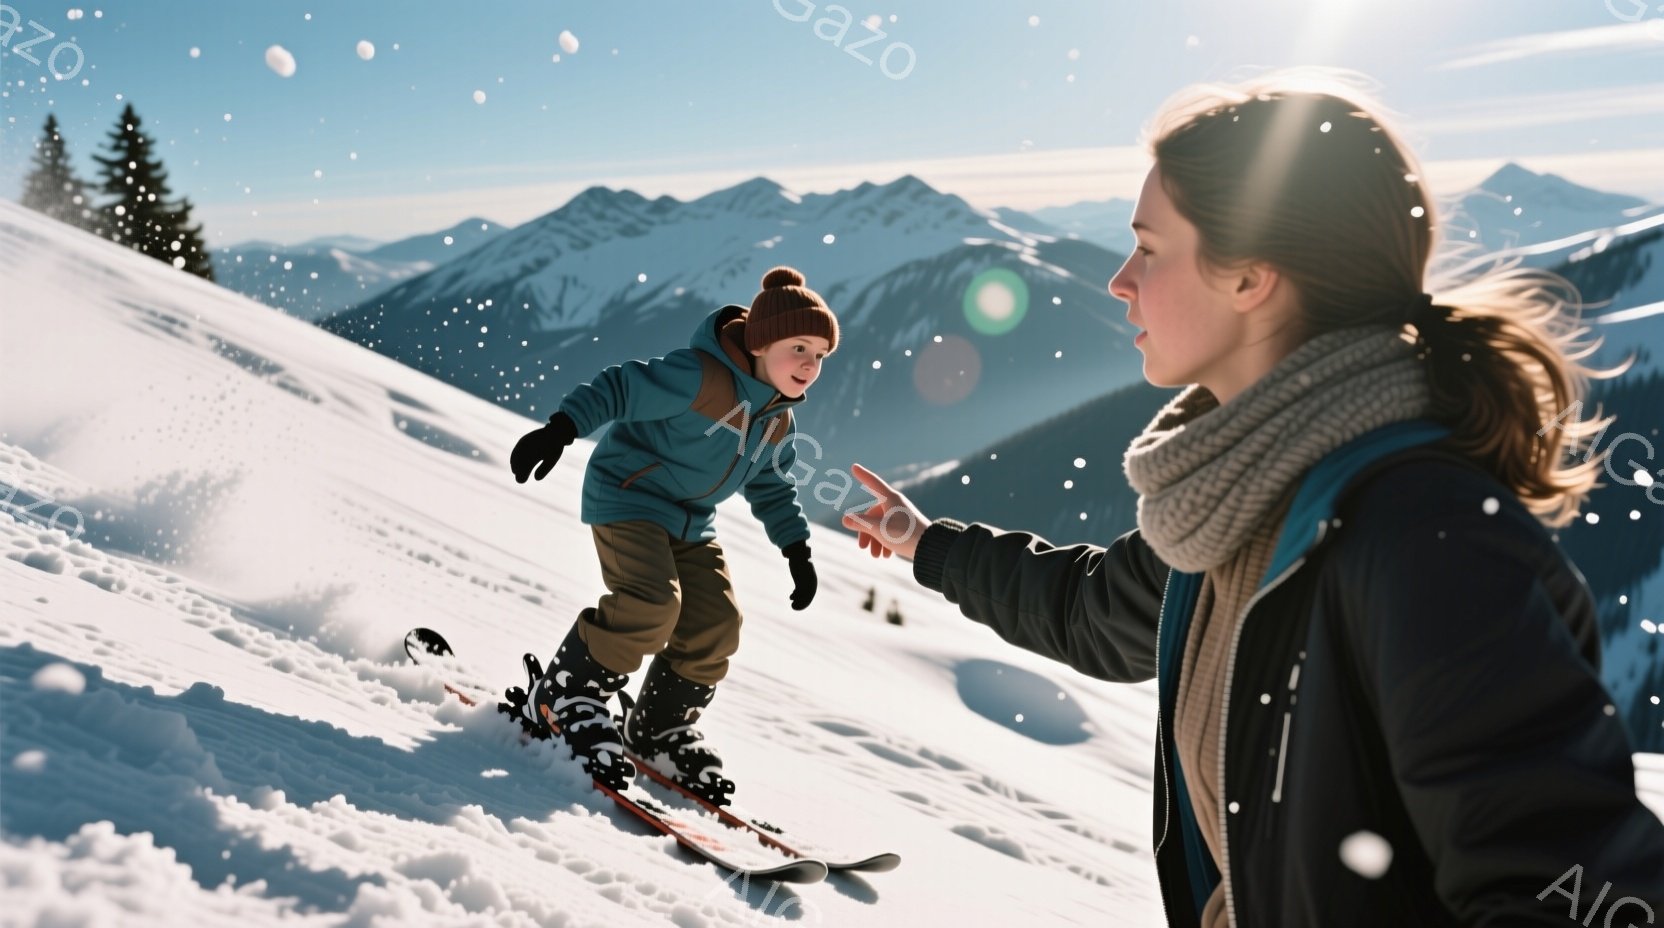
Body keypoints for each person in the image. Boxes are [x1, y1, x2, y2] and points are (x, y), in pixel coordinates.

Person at [841, 70, 1664, 926]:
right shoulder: (1233, 497)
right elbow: (1094, 611)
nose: (1119, 280)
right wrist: (927, 544)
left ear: (1250, 277)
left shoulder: (1424, 541)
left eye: (1150, 249)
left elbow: (1571, 887)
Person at [509, 266, 835, 802]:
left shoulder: (777, 421)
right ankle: (565, 696)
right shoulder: (701, 378)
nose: (809, 364)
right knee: (651, 602)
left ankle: (657, 729)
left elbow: (772, 484)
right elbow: (621, 388)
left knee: (716, 624)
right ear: (760, 342)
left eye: (820, 355)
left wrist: (796, 549)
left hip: (690, 520)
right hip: (628, 498)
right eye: (798, 347)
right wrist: (562, 428)